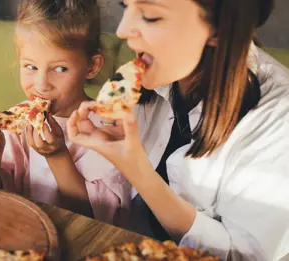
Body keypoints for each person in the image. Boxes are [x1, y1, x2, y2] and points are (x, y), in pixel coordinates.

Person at [67, 0, 289, 260]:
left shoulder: (278, 117)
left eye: (149, 15)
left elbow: (241, 257)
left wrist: (139, 171)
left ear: (219, 29)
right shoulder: (150, 79)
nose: (122, 30)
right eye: (125, 5)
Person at [0, 0, 135, 225]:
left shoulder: (109, 131)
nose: (42, 84)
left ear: (91, 66)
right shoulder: (15, 123)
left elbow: (95, 220)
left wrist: (57, 156)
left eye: (60, 69)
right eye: (31, 66)